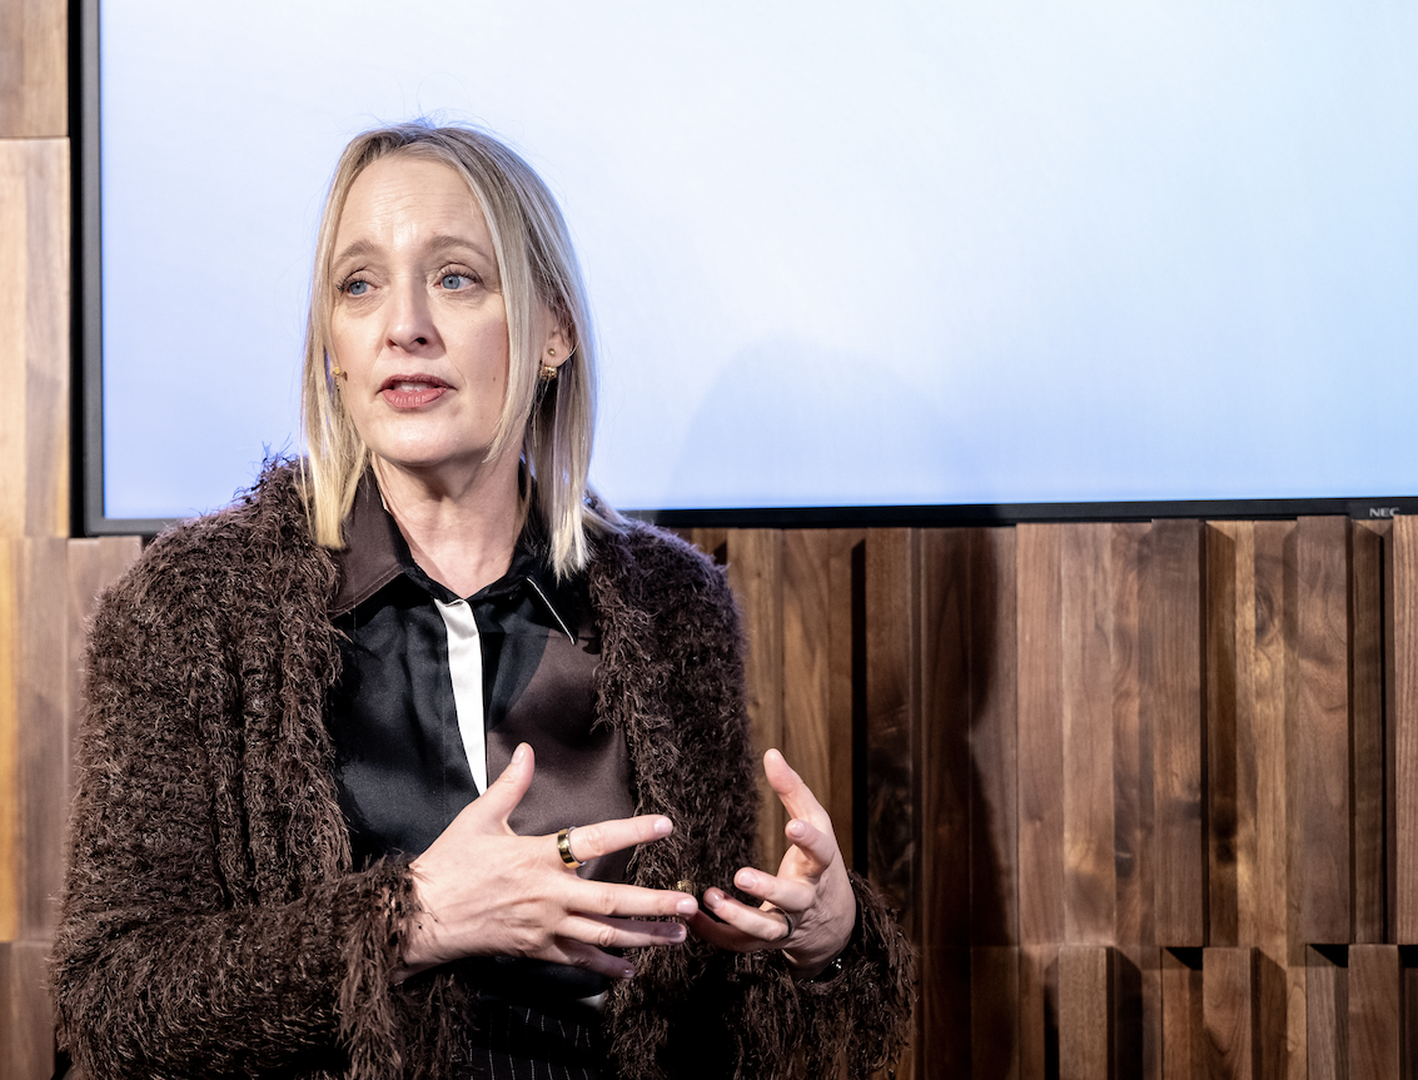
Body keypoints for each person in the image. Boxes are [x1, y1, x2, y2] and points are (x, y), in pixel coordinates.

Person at [51, 122, 912, 1079]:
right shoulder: (194, 609)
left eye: (457, 278)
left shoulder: (670, 606)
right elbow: (113, 1000)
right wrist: (413, 920)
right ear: (332, 344)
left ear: (554, 330)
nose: (403, 325)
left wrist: (820, 945)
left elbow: (697, 1023)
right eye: (359, 284)